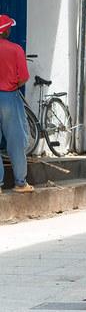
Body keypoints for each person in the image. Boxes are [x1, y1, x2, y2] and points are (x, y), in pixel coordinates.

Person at [0, 14, 32, 192]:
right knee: (16, 141)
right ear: (6, 30)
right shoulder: (16, 49)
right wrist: (12, 85)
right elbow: (24, 78)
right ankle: (20, 183)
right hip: (9, 97)